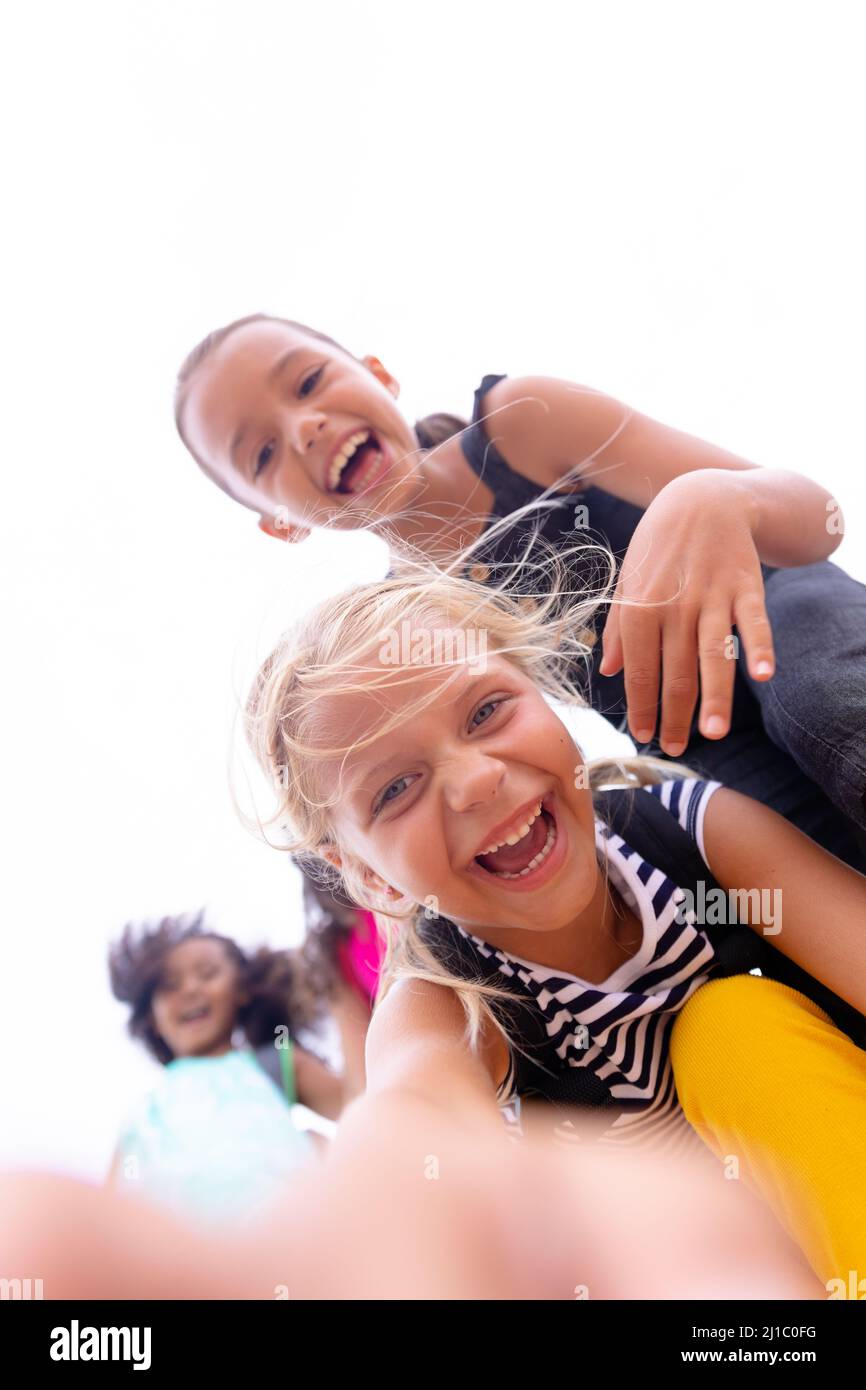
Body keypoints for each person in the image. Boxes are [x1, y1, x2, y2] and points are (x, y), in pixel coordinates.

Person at [241, 536, 866, 1284]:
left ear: (543, 691)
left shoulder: (686, 830)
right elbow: (411, 1113)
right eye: (395, 789)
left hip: (829, 1198)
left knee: (732, 1026)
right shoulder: (449, 996)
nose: (474, 780)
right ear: (371, 881)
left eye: (486, 712)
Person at [173, 312, 866, 875]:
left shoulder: (523, 424)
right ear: (280, 525)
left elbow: (816, 515)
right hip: (697, 738)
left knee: (819, 707)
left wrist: (716, 494)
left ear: (377, 373)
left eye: (309, 383)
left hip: (783, 616)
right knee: (790, 861)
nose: (305, 427)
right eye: (261, 453)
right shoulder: (413, 622)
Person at [107, 912, 344, 1229]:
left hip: (291, 1239)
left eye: (208, 974)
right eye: (169, 985)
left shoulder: (273, 1063)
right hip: (189, 1264)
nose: (191, 989)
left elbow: (363, 1105)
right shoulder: (143, 1114)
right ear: (151, 1016)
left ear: (242, 990)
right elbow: (112, 1202)